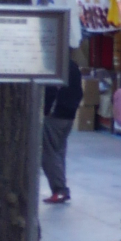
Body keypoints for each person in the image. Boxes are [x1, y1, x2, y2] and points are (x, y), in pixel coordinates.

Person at [42, 58, 83, 204]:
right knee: (58, 151)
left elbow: (51, 91)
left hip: (54, 114)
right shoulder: (72, 65)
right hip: (67, 115)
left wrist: (46, 109)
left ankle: (59, 189)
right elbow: (79, 91)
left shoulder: (55, 64)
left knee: (48, 154)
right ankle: (60, 188)